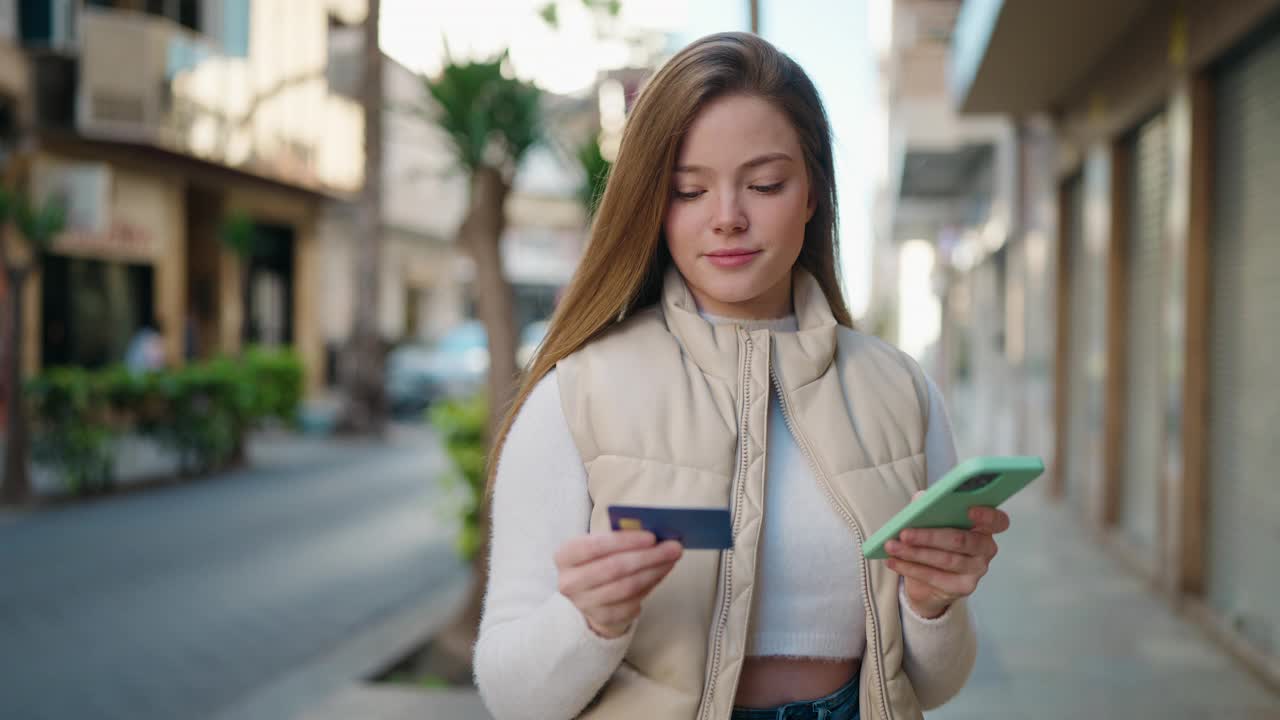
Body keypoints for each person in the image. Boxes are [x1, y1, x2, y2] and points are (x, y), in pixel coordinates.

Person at [474, 32, 1010, 720]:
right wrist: (588, 623)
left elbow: (933, 684)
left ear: (813, 193)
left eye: (764, 184)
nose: (727, 217)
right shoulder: (576, 396)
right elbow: (513, 697)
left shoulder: (902, 394)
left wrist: (934, 607)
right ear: (652, 206)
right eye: (688, 190)